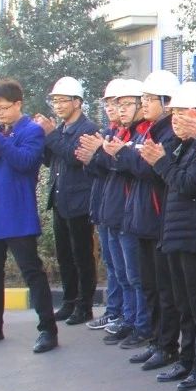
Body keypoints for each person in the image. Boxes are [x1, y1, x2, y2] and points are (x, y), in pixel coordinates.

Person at [0, 78, 59, 353]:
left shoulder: (31, 130)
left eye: (4, 107)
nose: (0, 113)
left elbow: (25, 162)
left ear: (18, 104)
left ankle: (47, 330)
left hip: (16, 213)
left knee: (32, 273)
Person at [143, 81, 196, 390]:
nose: (174, 120)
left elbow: (188, 184)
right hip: (177, 234)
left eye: (181, 113)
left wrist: (161, 163)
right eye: (172, 113)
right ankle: (187, 360)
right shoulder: (183, 146)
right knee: (184, 304)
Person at [106, 70, 181, 363]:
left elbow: (150, 170)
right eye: (144, 98)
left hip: (157, 218)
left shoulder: (169, 133)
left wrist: (123, 155)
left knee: (163, 289)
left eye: (150, 99)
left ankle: (167, 345)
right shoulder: (149, 130)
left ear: (167, 101)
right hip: (142, 217)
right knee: (149, 285)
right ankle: (156, 340)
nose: (145, 103)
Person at [81, 80, 148, 346]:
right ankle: (124, 317)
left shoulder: (142, 134)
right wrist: (95, 156)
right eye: (113, 104)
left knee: (135, 276)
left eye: (125, 103)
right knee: (120, 271)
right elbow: (104, 172)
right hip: (111, 211)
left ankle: (138, 324)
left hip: (128, 215)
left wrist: (110, 154)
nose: (118, 109)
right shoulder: (118, 133)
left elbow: (136, 170)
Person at [34, 76, 99, 326]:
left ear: (77, 102)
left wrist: (51, 135)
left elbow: (73, 156)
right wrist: (42, 138)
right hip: (60, 199)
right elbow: (50, 160)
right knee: (65, 255)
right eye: (55, 101)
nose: (58, 106)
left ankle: (84, 306)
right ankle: (69, 301)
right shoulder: (59, 129)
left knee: (82, 256)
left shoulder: (87, 128)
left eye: (63, 101)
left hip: (79, 202)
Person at [82, 81, 125, 332]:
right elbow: (99, 174)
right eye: (107, 103)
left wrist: (102, 153)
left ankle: (124, 315)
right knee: (112, 265)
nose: (111, 108)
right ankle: (114, 311)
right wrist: (91, 158)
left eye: (116, 103)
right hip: (104, 207)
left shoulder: (127, 135)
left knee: (125, 271)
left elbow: (120, 170)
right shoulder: (107, 133)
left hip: (120, 211)